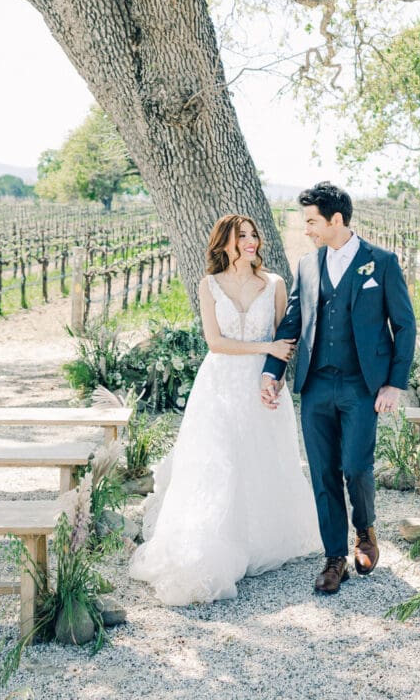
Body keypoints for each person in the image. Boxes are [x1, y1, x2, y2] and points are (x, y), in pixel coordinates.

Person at [129, 213, 321, 605]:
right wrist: (264, 347)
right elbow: (215, 342)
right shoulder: (209, 285)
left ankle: (259, 538)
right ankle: (215, 543)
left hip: (263, 385)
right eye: (241, 236)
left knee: (263, 459)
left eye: (253, 235)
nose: (250, 241)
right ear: (224, 244)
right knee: (220, 463)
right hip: (219, 386)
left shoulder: (274, 284)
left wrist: (276, 375)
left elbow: (286, 339)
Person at [262, 182, 416, 594]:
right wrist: (272, 371)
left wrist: (394, 385)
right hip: (316, 384)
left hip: (361, 386)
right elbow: (292, 322)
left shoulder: (380, 262)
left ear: (336, 220)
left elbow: (404, 324)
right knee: (323, 473)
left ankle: (364, 529)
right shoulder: (308, 266)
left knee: (355, 467)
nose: (307, 230)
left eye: (311, 222)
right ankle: (334, 558)